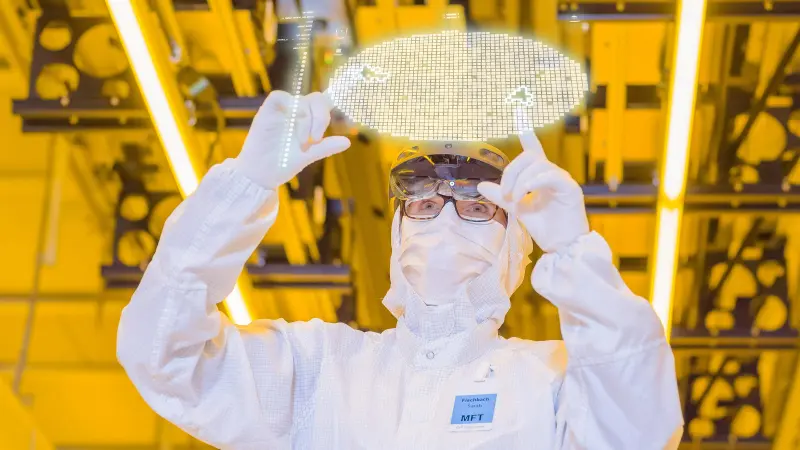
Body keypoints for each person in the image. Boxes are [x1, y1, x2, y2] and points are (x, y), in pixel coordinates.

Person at [117, 90, 684, 449]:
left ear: (516, 250)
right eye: (422, 203)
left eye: (479, 206)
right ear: (397, 234)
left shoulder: (549, 383)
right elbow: (164, 356)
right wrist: (244, 186)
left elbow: (639, 427)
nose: (444, 220)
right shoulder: (319, 371)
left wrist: (576, 253)